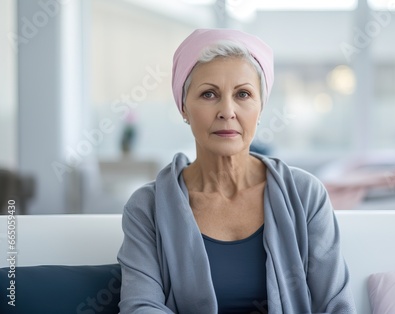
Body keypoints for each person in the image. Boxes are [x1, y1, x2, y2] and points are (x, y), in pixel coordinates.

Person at [117, 28, 356, 314]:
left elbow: (336, 306)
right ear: (183, 107)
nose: (227, 111)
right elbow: (141, 307)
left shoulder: (306, 195)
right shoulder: (147, 207)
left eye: (243, 94)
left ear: (261, 106)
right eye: (208, 94)